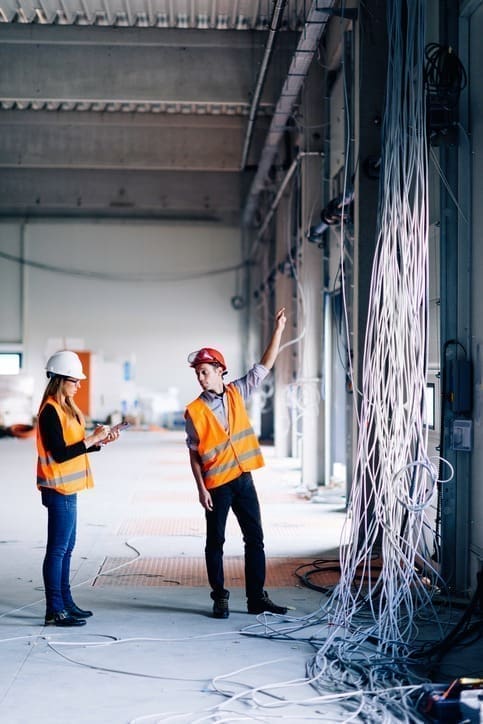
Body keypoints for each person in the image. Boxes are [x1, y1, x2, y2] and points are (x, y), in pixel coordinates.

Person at [185, 308, 288, 619]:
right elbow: (192, 452)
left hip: (243, 479)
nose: (201, 377)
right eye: (198, 373)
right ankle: (220, 596)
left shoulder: (236, 393)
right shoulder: (194, 411)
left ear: (219, 370)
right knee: (215, 541)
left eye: (205, 371)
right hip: (216, 486)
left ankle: (256, 598)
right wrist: (201, 489)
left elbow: (264, 366)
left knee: (254, 538)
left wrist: (279, 329)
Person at [36, 350, 120, 627]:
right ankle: (55, 609)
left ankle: (66, 603)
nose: (79, 385)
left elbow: (73, 448)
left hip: (69, 486)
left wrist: (99, 442)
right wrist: (91, 439)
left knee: (68, 547)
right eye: (75, 380)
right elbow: (59, 454)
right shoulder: (49, 410)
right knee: (58, 549)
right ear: (60, 380)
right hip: (56, 488)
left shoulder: (67, 408)